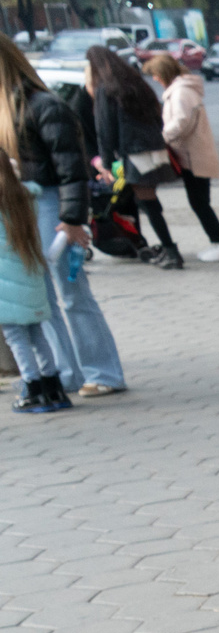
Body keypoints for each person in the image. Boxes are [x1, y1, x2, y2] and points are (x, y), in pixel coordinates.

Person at [0, 38, 124, 397]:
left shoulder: (44, 106)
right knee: (39, 298)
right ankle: (64, 373)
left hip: (51, 205)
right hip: (21, 208)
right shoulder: (12, 109)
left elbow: (72, 169)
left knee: (70, 292)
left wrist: (72, 219)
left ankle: (103, 372)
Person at [87, 46, 182, 270]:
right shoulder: (135, 84)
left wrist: (107, 163)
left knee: (147, 203)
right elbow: (158, 115)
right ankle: (167, 248)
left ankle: (171, 251)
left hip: (135, 152)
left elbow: (104, 129)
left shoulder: (105, 89)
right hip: (155, 148)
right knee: (148, 202)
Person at [0, 148, 72, 413]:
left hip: (4, 282)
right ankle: (53, 386)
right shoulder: (26, 197)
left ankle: (31, 387)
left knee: (15, 337)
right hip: (31, 272)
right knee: (37, 333)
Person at [149, 47, 219, 262]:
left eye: (155, 74)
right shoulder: (183, 90)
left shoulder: (180, 93)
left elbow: (181, 121)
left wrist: (163, 137)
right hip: (193, 154)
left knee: (199, 202)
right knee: (199, 201)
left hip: (193, 156)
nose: (155, 79)